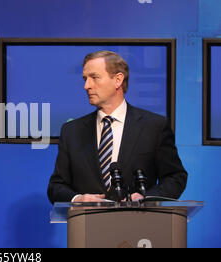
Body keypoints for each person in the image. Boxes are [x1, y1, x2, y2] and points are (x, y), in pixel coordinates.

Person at [47, 50, 187, 203]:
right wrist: (78, 198)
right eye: (85, 79)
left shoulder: (154, 126)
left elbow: (175, 177)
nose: (87, 86)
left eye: (94, 77)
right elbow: (56, 187)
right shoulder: (71, 131)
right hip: (88, 224)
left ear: (118, 80)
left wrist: (145, 197)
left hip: (140, 223)